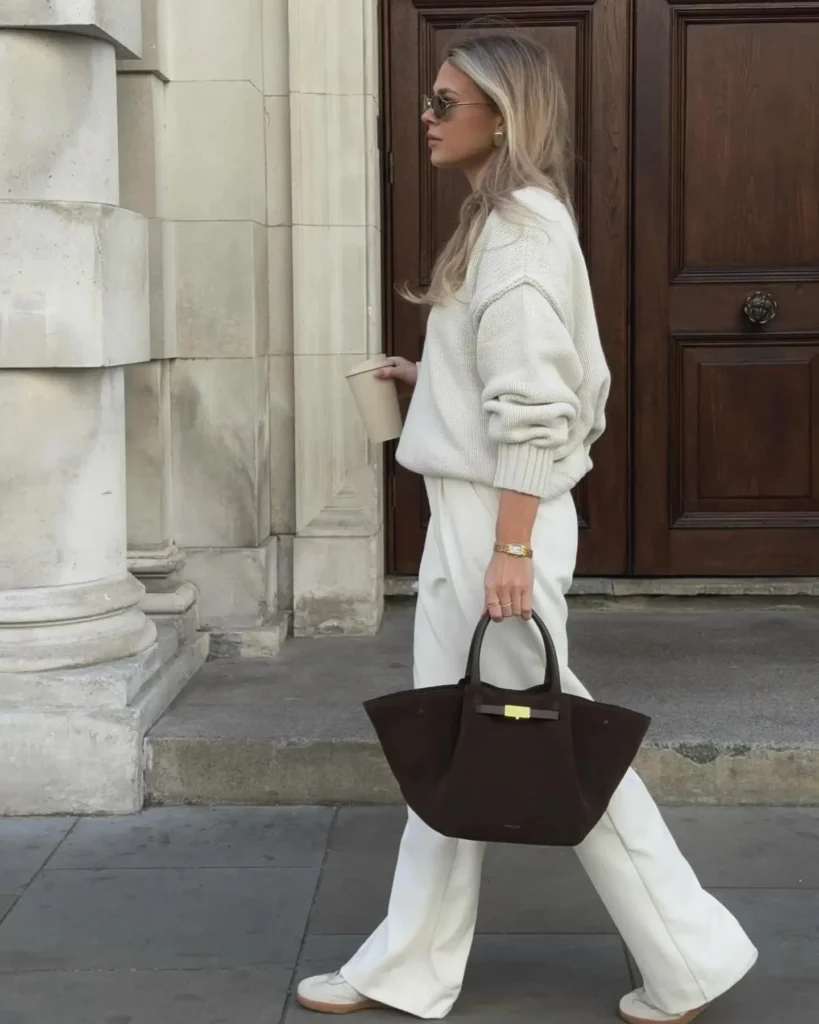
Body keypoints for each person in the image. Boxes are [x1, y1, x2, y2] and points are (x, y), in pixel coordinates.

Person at [296, 31, 757, 1024]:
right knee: (462, 739)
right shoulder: (505, 222)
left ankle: (690, 954)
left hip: (496, 521)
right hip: (489, 511)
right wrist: (432, 386)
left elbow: (540, 408)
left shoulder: (517, 229)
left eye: (443, 101)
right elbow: (513, 381)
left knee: (547, 740)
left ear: (499, 117)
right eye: (428, 98)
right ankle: (415, 963)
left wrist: (507, 549)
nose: (425, 114)